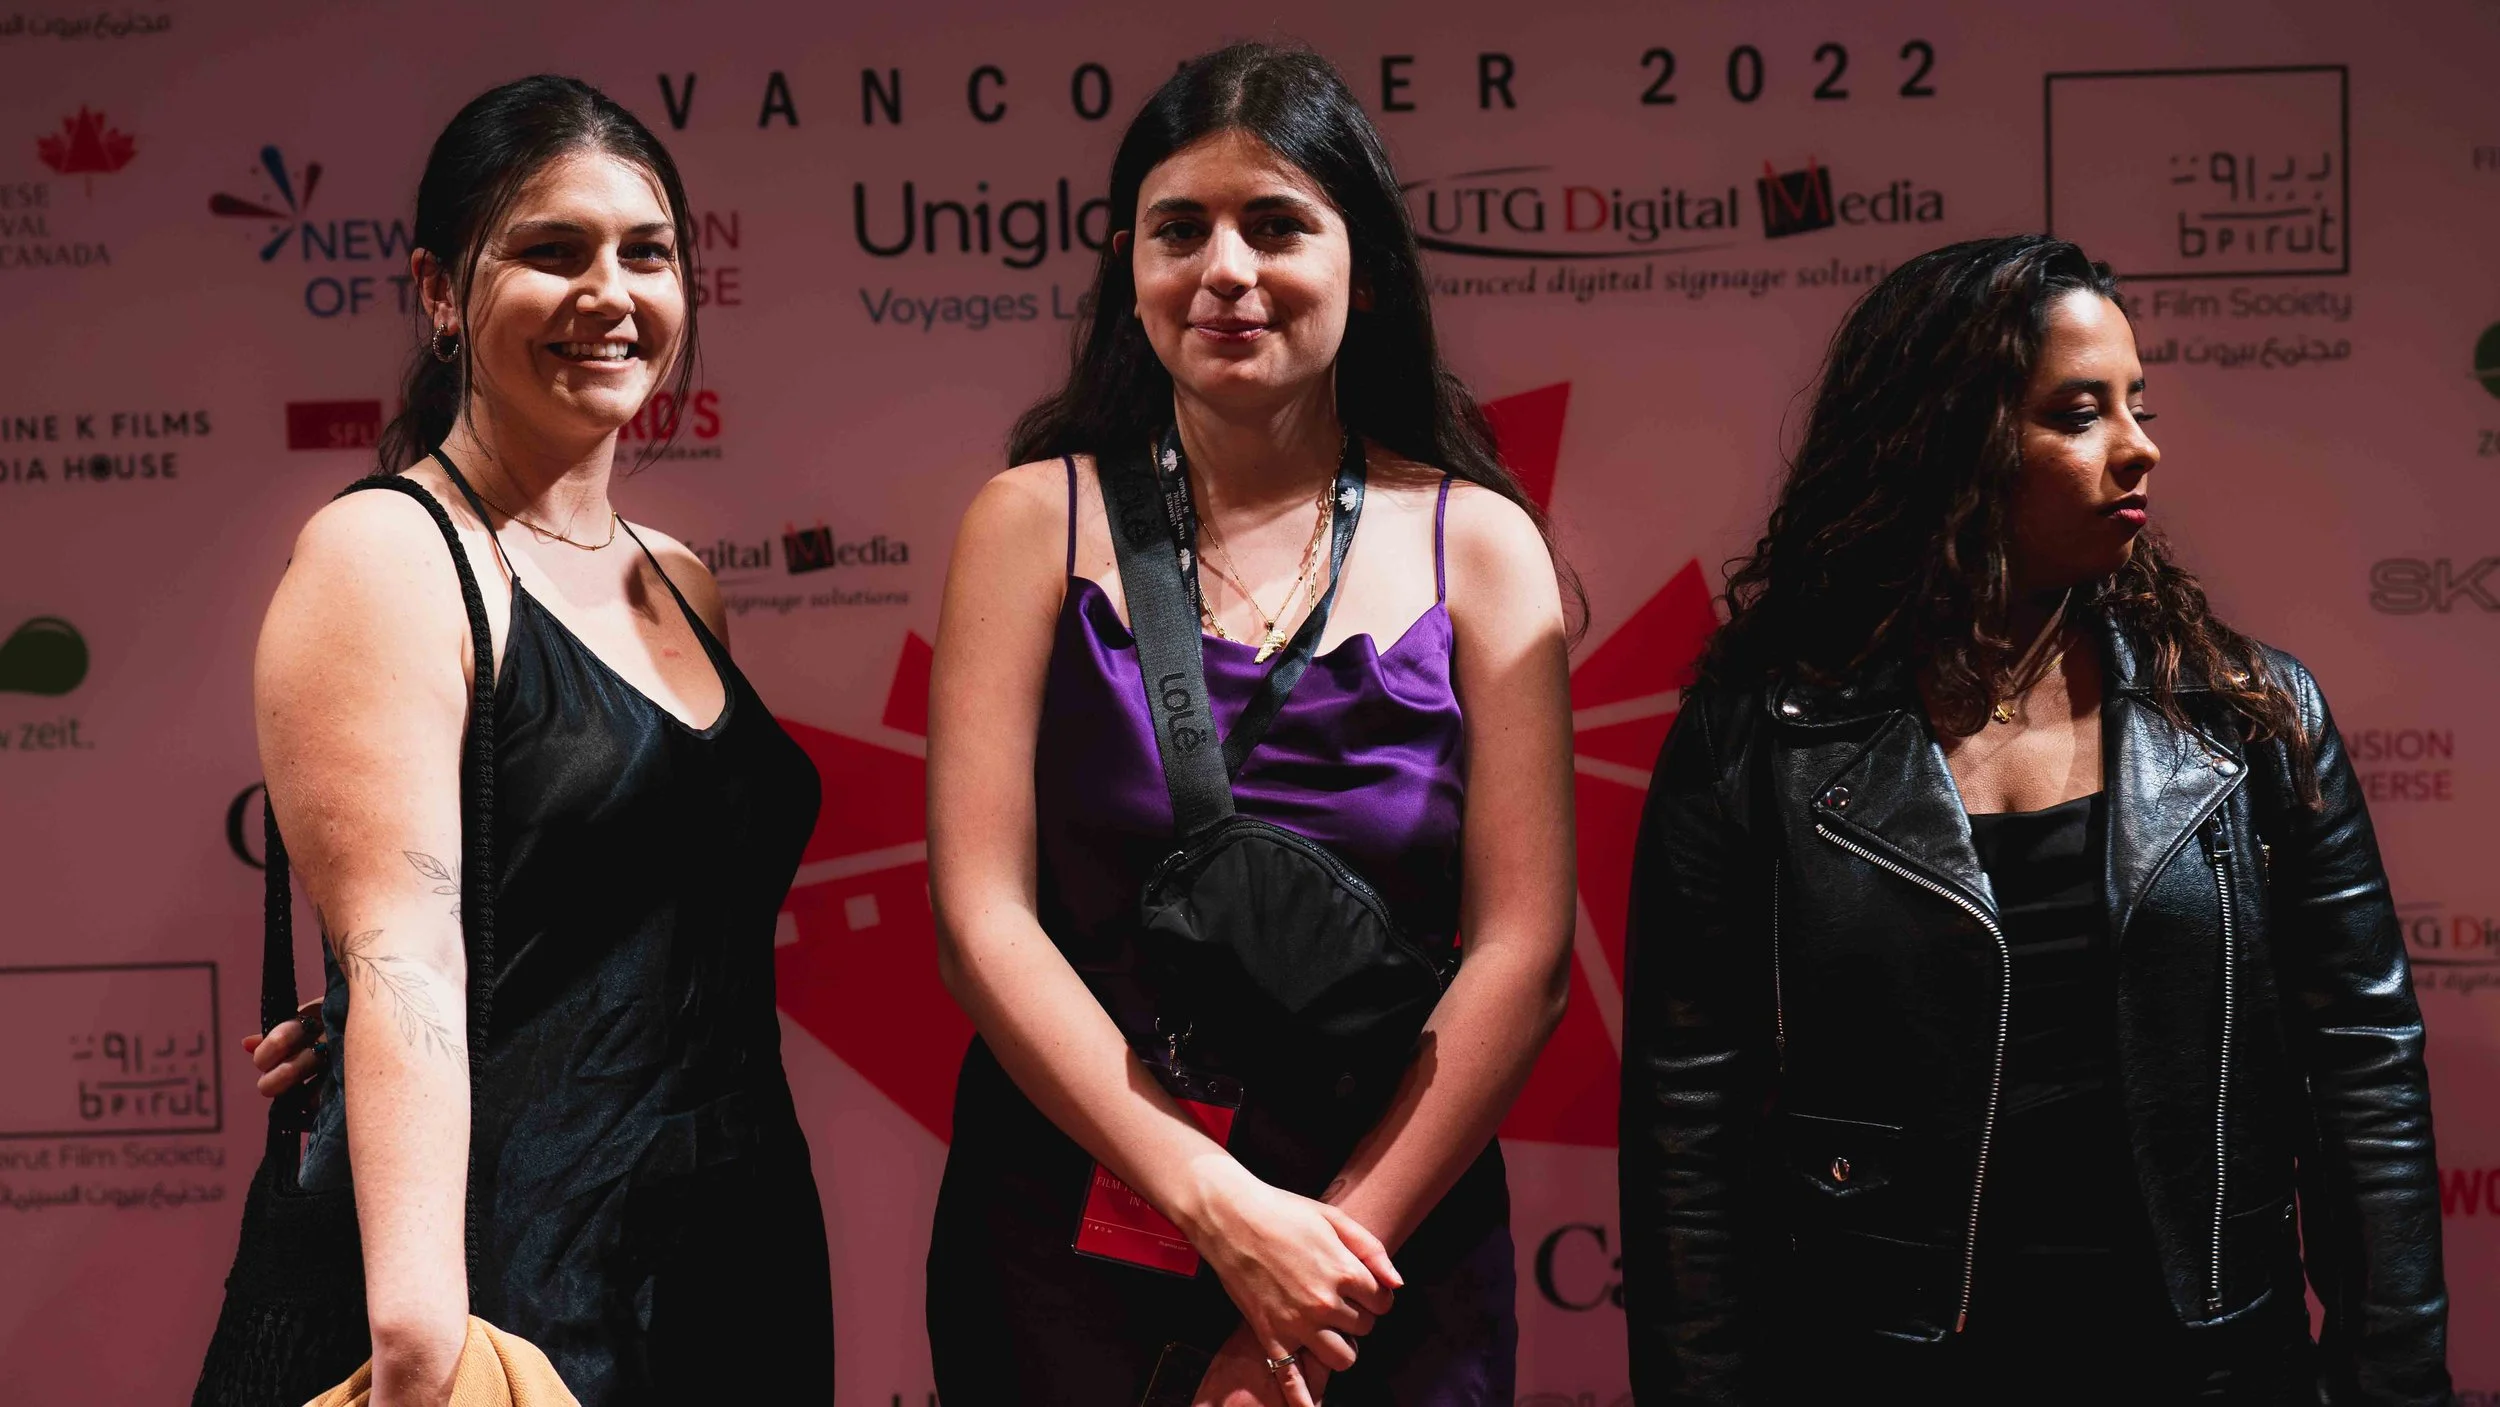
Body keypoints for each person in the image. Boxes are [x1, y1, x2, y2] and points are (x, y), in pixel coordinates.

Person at [1616, 235, 2450, 1404]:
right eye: (2077, 413)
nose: (2139, 445)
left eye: (2136, 404)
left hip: (2204, 1364)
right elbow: (1687, 1133)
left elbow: (2363, 1077)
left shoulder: (2251, 719)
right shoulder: (1756, 742)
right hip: (1888, 1368)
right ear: (1947, 447)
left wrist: (2396, 1379)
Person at [922, 43, 1576, 1407]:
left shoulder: (1484, 546)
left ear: (1368, 265)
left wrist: (1319, 1268)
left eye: (1277, 224)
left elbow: (1524, 952)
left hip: (1380, 1255)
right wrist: (1216, 1200)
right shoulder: (1030, 520)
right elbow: (981, 917)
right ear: (1128, 266)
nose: (1226, 268)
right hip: (1073, 1236)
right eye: (1180, 229)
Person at [242, 75, 833, 1404]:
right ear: (444, 293)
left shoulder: (680, 578)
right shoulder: (388, 553)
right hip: (495, 1264)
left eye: (648, 252)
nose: (611, 292)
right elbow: (402, 953)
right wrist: (418, 1345)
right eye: (553, 250)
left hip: (730, 1250)